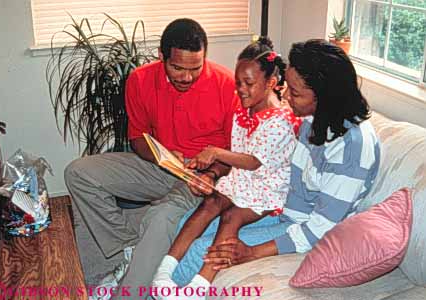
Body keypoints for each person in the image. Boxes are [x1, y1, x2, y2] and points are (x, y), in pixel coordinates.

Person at [164, 39, 381, 298]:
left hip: (303, 230)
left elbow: (319, 229)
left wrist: (252, 252)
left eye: (295, 93)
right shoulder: (314, 118)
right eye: (288, 87)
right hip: (281, 208)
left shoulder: (352, 149)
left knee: (201, 252)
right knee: (181, 226)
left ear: (325, 95)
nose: (286, 96)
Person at [64, 18, 238, 299]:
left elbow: (235, 153)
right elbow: (138, 138)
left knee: (161, 215)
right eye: (178, 68)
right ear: (161, 56)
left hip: (203, 177)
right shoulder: (140, 79)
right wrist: (163, 157)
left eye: (196, 68)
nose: (187, 77)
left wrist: (211, 174)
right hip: (162, 165)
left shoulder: (226, 84)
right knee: (79, 173)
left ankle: (129, 292)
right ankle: (130, 249)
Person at [151, 37, 302, 296]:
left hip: (266, 192)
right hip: (241, 182)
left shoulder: (280, 122)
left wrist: (215, 153)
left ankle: (200, 283)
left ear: (271, 83)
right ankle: (164, 272)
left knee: (231, 217)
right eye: (238, 82)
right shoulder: (244, 113)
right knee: (209, 204)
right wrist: (208, 164)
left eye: (249, 84)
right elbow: (238, 160)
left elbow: (253, 162)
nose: (241, 89)